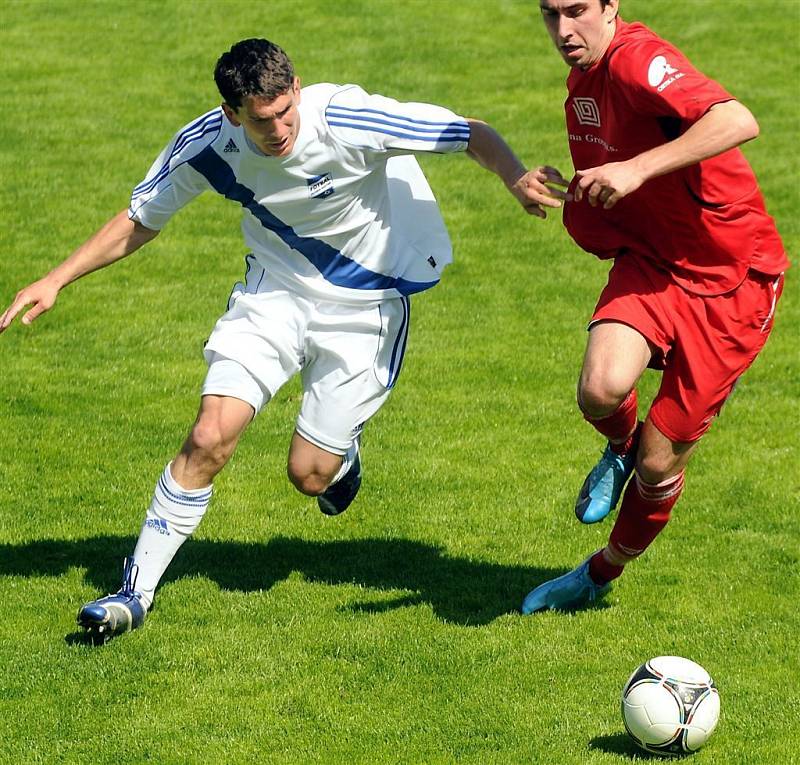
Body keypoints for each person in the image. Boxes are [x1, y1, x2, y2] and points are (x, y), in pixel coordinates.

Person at [0, 38, 568, 642]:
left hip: (365, 311)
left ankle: (340, 458)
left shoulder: (346, 116)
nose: (278, 130)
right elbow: (141, 220)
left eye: (285, 111)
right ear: (231, 114)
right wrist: (57, 278)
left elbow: (468, 132)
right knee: (209, 436)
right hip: (274, 296)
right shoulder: (206, 145)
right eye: (260, 119)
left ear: (296, 88)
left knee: (310, 475)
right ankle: (133, 593)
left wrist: (514, 176)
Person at [522, 0, 789, 613]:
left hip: (732, 283)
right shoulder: (585, 73)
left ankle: (598, 572)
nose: (563, 31)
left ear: (611, 6)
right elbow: (614, 165)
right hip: (654, 261)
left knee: (658, 464)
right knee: (600, 389)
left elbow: (736, 118)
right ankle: (616, 447)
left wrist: (638, 169)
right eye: (548, 15)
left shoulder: (638, 60)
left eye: (577, 11)